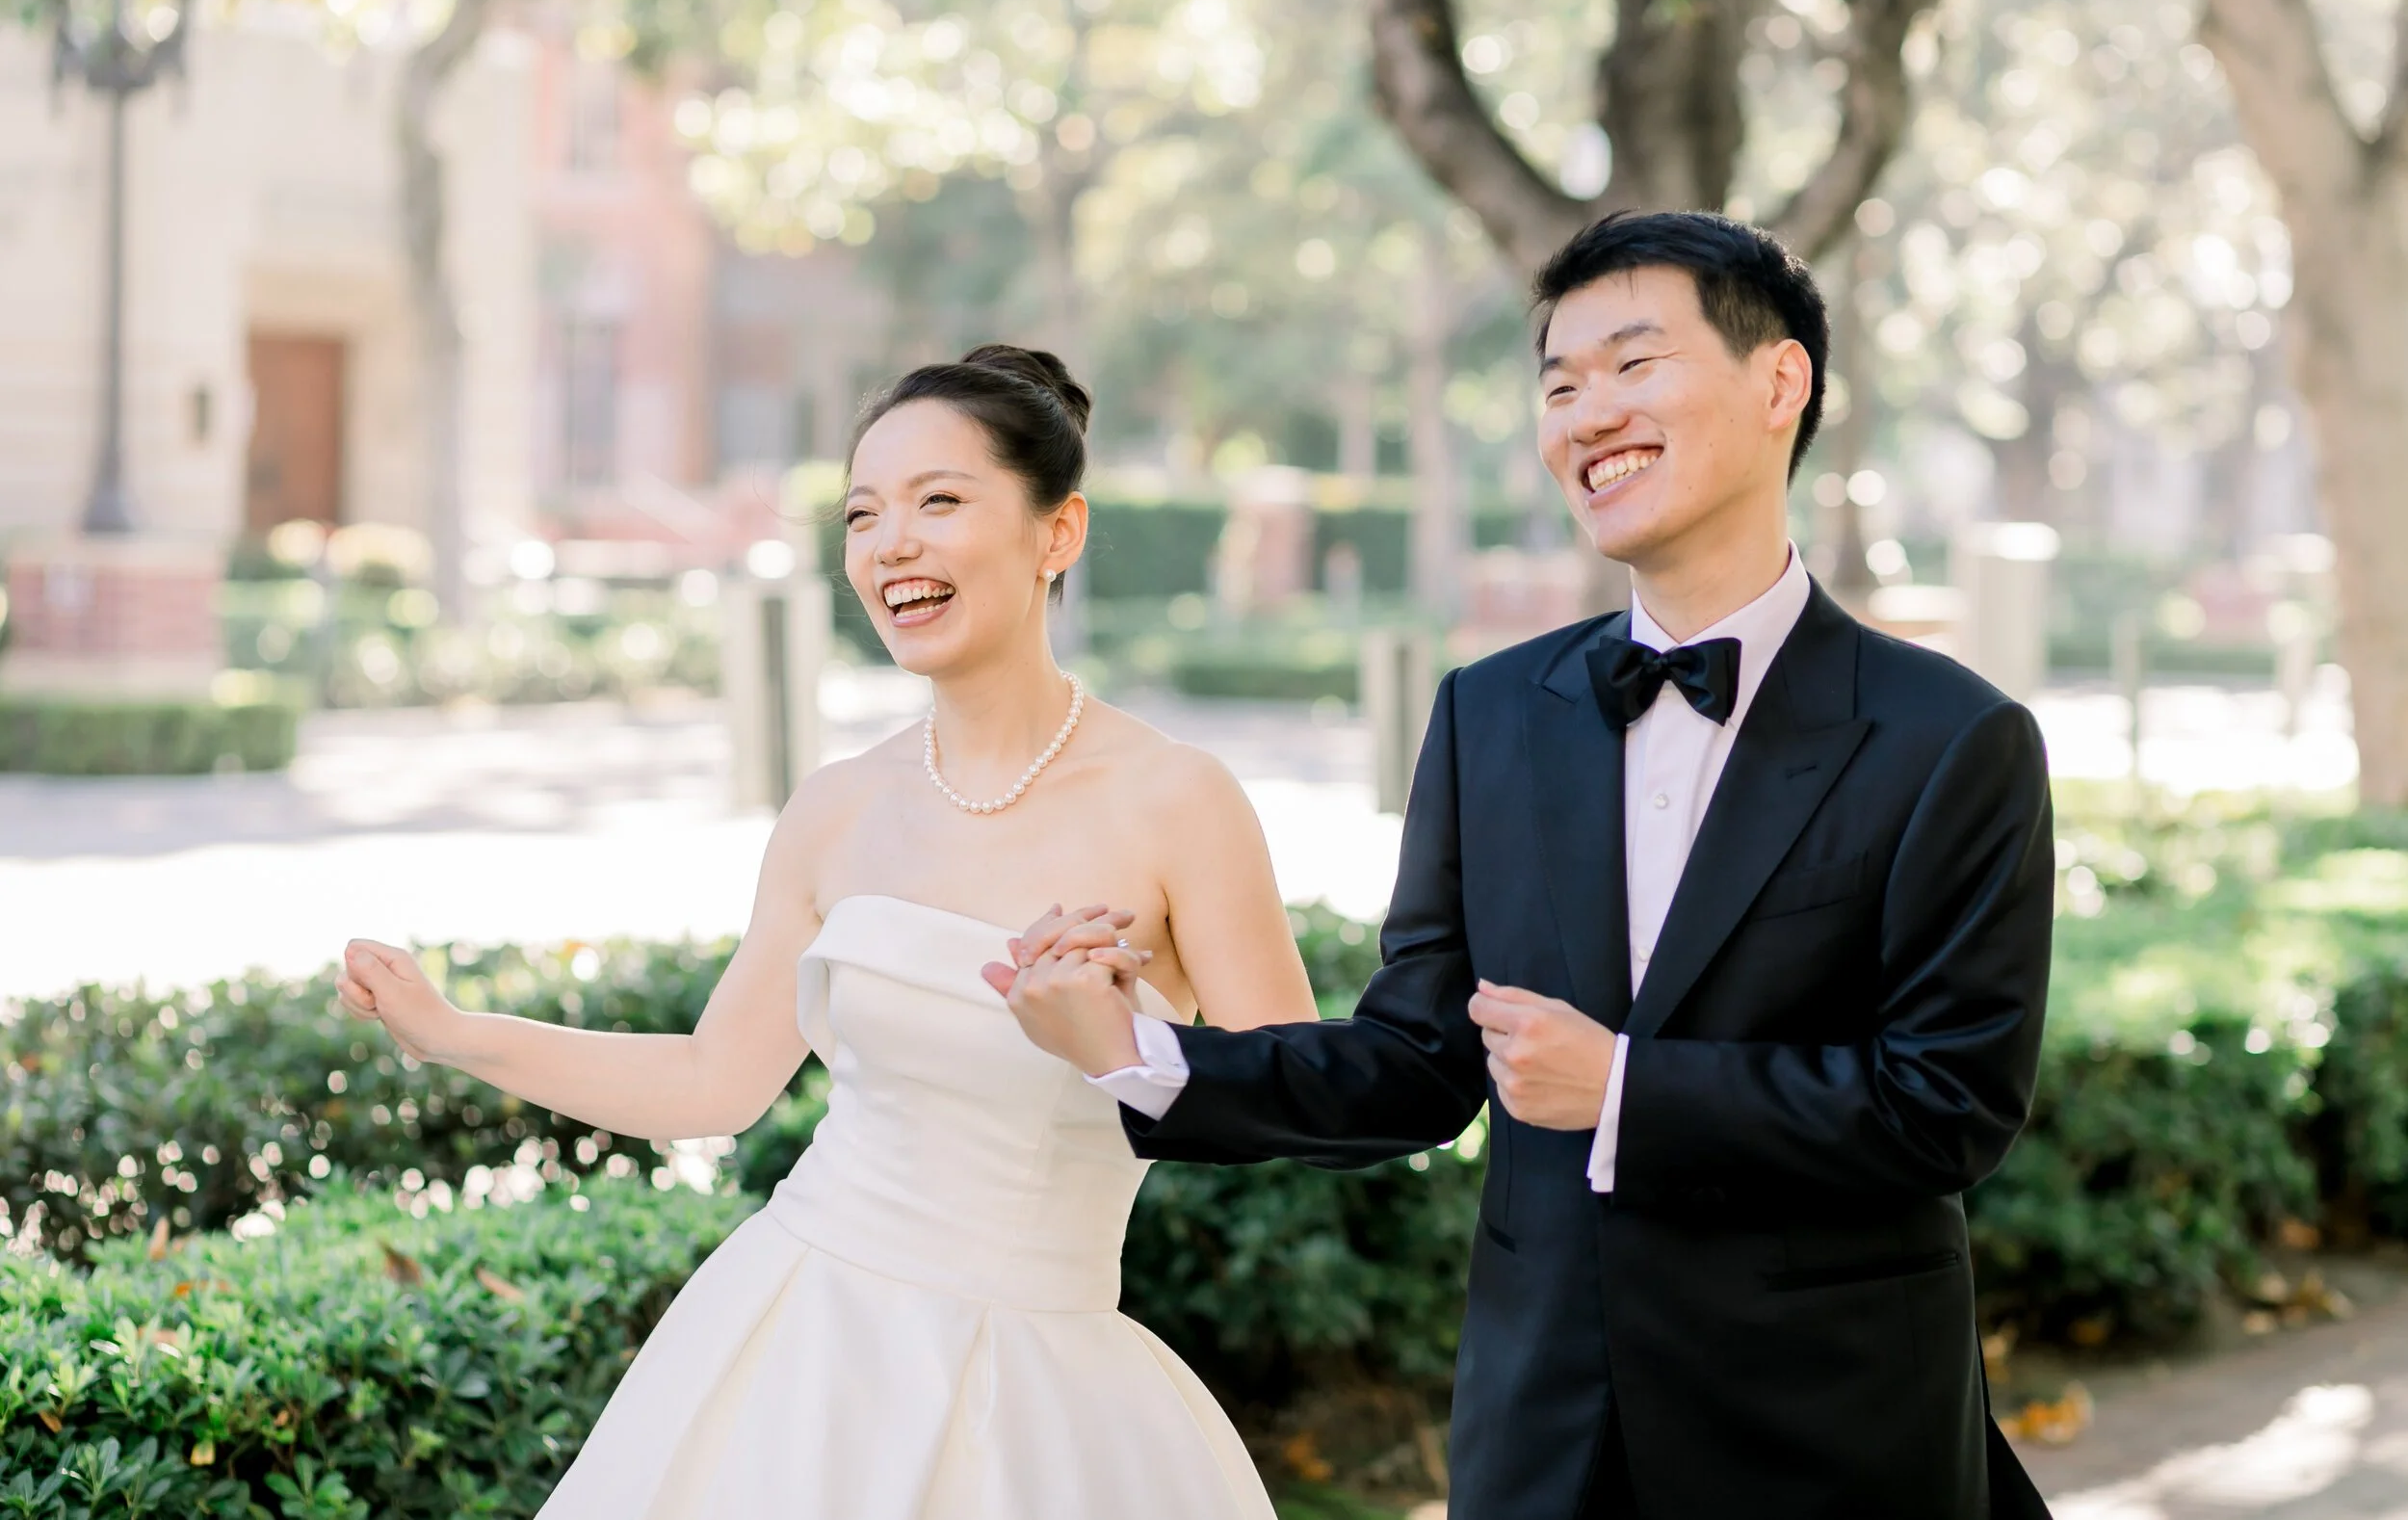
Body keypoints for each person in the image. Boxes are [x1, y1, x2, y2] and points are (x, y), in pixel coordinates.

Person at [996, 214, 2057, 1518]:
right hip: (1547, 1430)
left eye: (1632, 364)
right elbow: (1423, 1058)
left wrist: (1625, 1083)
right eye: (1559, 385)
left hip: (1831, 1436)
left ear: (1780, 382)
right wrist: (1140, 1052)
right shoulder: (1489, 713)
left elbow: (1948, 1105)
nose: (1585, 413)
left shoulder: (1951, 737)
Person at [333, 344, 1318, 1519]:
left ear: (1058, 532)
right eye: (863, 514)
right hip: (799, 1354)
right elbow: (712, 1079)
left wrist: (1116, 1045)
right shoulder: (838, 807)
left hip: (1046, 1387)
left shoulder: (1177, 799)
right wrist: (454, 1033)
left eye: (939, 501)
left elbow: (1303, 1098)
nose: (890, 543)